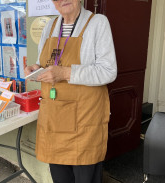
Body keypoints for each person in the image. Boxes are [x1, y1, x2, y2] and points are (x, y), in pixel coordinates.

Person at [25, 0, 117, 182]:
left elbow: (108, 71)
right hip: (55, 119)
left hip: (85, 122)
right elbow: (44, 63)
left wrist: (65, 73)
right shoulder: (50, 26)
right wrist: (35, 68)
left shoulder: (98, 23)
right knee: (60, 178)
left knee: (86, 178)